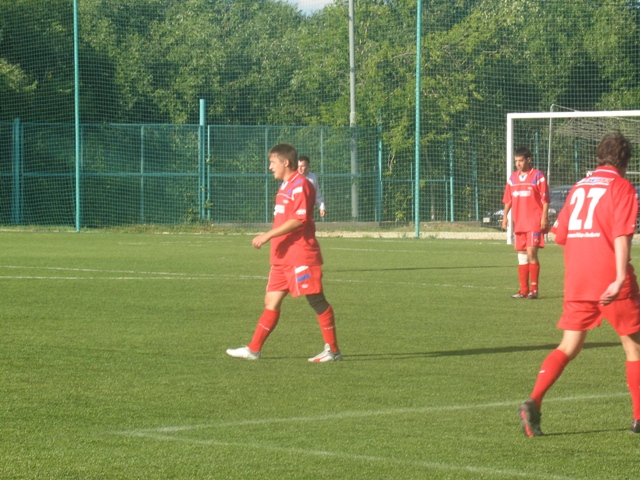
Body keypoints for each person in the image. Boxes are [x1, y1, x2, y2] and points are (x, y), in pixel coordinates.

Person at [518, 133, 640, 437]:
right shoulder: (622, 187)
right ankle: (639, 418)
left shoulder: (578, 187)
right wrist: (620, 277)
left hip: (577, 279)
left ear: (599, 157)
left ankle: (534, 400)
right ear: (625, 161)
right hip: (610, 279)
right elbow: (622, 233)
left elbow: (561, 235)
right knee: (634, 347)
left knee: (568, 345)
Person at [226, 143, 342, 362]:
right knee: (271, 301)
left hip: (300, 255)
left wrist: (268, 235)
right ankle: (253, 350)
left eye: (272, 162)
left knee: (316, 300)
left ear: (286, 162)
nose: (270, 167)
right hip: (282, 257)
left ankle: (333, 351)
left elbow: (299, 220)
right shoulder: (285, 186)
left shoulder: (301, 185)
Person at [502, 146, 550, 299]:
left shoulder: (538, 176)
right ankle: (523, 290)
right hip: (519, 222)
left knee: (531, 253)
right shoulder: (512, 178)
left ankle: (534, 290)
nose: (518, 163)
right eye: (516, 161)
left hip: (534, 221)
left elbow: (545, 199)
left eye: (521, 160)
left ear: (528, 160)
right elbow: (508, 199)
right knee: (522, 256)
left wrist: (544, 217)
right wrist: (505, 216)